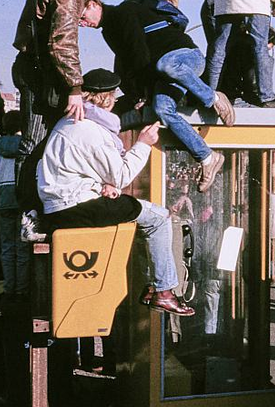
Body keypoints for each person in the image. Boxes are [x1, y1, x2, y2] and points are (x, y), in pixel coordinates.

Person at [36, 69, 193, 316]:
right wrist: (143, 143)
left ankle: (156, 286)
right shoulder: (90, 129)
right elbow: (121, 176)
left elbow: (69, 169)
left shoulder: (67, 123)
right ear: (106, 98)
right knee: (159, 219)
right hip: (78, 208)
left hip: (61, 205)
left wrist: (100, 186)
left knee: (143, 215)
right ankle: (163, 291)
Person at [79, 0, 234, 192]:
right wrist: (140, 97)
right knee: (162, 109)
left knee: (166, 64)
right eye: (80, 22)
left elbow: (139, 55)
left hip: (187, 57)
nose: (83, 24)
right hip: (166, 74)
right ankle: (207, 157)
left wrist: (141, 93)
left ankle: (213, 98)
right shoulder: (108, 31)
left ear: (93, 4)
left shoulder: (124, 11)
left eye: (83, 17)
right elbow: (125, 65)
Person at [13, 0, 107, 163]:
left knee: (35, 141)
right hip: (41, 75)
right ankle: (27, 199)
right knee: (35, 144)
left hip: (32, 68)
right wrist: (75, 88)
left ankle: (29, 196)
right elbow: (62, 42)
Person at [0, 111, 27, 297]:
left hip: (3, 200)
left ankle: (9, 289)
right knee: (23, 247)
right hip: (22, 198)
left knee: (7, 247)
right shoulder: (27, 146)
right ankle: (23, 290)